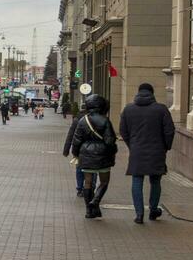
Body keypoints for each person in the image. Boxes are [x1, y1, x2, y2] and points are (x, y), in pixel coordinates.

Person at [119, 82, 175, 224]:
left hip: (137, 150)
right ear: (152, 93)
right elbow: (169, 130)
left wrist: (131, 145)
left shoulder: (128, 109)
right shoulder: (161, 109)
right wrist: (166, 147)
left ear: (138, 92)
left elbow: (123, 131)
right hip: (157, 150)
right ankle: (153, 210)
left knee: (137, 180)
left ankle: (139, 214)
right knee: (155, 180)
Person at [71, 94, 118, 219]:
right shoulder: (105, 120)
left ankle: (88, 211)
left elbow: (76, 140)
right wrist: (113, 151)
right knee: (104, 181)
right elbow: (109, 141)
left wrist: (76, 154)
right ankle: (95, 201)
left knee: (88, 182)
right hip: (103, 155)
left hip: (86, 154)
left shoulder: (82, 120)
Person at [62, 112, 84, 197]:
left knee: (79, 168)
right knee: (92, 169)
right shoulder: (98, 118)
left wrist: (66, 150)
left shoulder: (77, 119)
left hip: (79, 149)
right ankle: (90, 188)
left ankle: (80, 188)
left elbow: (70, 135)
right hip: (95, 150)